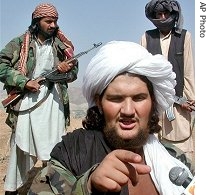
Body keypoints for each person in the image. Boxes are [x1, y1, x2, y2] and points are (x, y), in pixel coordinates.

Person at [28, 41, 193, 195]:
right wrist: (87, 186)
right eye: (116, 99)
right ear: (99, 102)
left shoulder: (175, 160)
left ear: (153, 102)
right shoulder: (74, 152)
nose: (128, 110)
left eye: (139, 98)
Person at [0, 3, 78, 194]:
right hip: (27, 101)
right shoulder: (19, 43)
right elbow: (1, 66)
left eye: (55, 21)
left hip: (54, 102)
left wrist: (65, 70)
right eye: (48, 21)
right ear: (37, 21)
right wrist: (24, 82)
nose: (53, 25)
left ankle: (50, 187)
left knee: (54, 146)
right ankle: (13, 188)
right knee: (20, 146)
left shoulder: (62, 45)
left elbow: (73, 71)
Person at [140, 0, 195, 168]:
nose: (163, 17)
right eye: (159, 14)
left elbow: (188, 71)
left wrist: (188, 99)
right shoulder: (146, 37)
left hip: (178, 105)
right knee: (154, 157)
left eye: (166, 14)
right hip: (154, 105)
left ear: (173, 15)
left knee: (181, 153)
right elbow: (142, 71)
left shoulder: (184, 36)